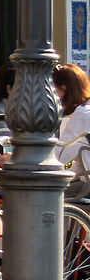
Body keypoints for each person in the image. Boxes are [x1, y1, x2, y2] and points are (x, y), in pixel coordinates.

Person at [56, 64, 90, 197]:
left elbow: (60, 156)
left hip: (87, 184)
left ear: (64, 90)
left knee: (49, 194)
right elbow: (82, 156)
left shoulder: (82, 115)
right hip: (84, 178)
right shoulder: (86, 110)